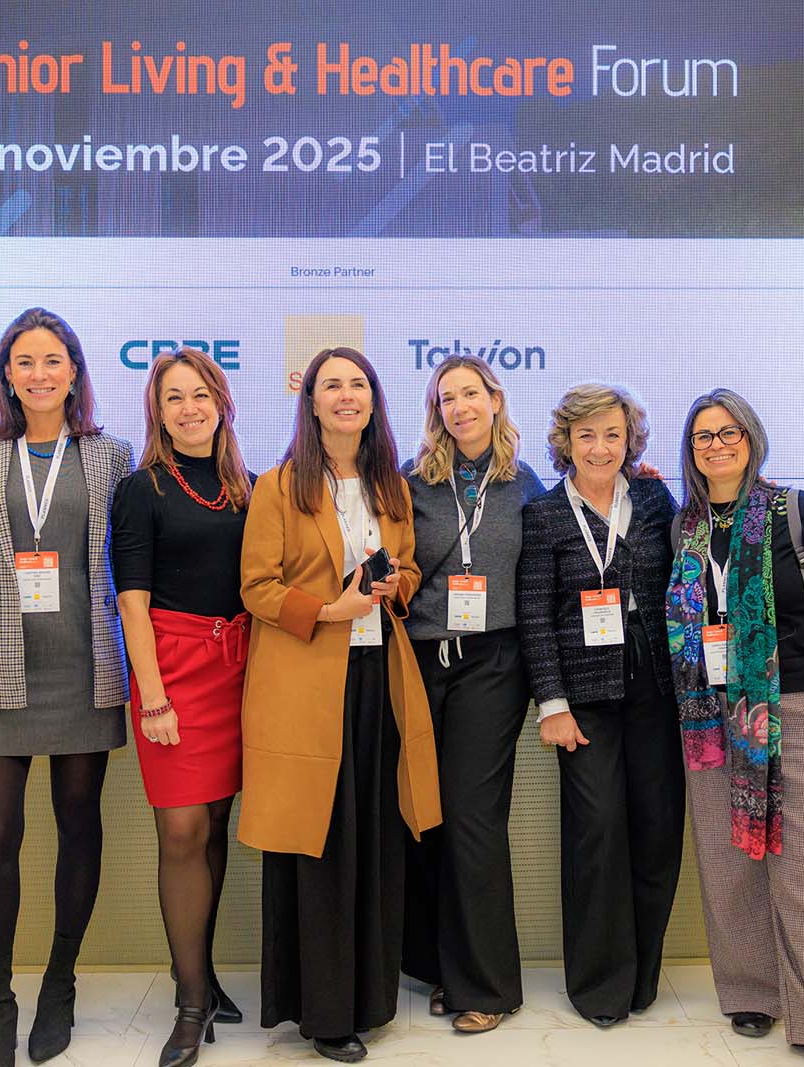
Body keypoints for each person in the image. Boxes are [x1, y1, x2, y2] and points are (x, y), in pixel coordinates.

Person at [0, 307, 134, 1067]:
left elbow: (130, 559)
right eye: (25, 361)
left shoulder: (110, 454)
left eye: (52, 360)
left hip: (83, 665)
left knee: (79, 825)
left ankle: (59, 983)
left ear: (74, 371)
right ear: (7, 376)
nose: (39, 373)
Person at [664, 389, 804, 1067]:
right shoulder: (684, 528)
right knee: (729, 863)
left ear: (751, 439)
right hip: (711, 716)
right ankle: (751, 992)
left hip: (797, 707)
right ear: (690, 450)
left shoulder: (793, 511)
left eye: (728, 432)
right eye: (703, 436)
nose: (717, 445)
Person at [238, 347, 442, 1063]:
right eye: (333, 385)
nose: (347, 395)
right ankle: (324, 1014)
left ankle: (369, 1000)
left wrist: (392, 587)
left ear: (373, 399)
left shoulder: (391, 484)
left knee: (374, 837)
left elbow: (409, 566)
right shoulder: (278, 486)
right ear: (312, 401)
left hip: (378, 678)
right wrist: (331, 609)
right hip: (305, 684)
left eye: (358, 384)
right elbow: (256, 587)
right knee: (319, 842)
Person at [516, 382, 685, 1028]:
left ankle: (641, 976)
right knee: (597, 833)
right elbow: (535, 615)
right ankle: (599, 986)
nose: (600, 447)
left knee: (656, 829)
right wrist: (551, 703)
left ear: (629, 440)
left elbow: (691, 563)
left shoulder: (652, 497)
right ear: (566, 441)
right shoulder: (543, 514)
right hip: (582, 695)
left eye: (613, 434)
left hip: (655, 685)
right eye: (586, 435)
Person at [110, 348, 252, 1067]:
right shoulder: (141, 489)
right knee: (182, 831)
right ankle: (191, 1003)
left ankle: (202, 974)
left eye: (200, 394)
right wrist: (154, 698)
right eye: (174, 398)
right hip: (172, 671)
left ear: (221, 403)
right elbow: (132, 604)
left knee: (216, 822)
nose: (189, 408)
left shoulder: (247, 488)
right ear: (157, 413)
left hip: (240, 669)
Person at [400, 356, 546, 1033]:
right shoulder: (410, 480)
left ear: (495, 399)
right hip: (421, 659)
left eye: (470, 394)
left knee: (474, 818)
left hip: (493, 662)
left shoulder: (525, 483)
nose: (459, 407)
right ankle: (438, 967)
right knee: (423, 814)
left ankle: (488, 985)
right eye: (446, 398)